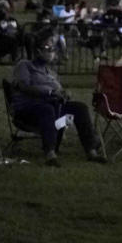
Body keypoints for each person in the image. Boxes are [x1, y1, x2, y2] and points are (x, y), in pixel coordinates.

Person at [11, 33, 106, 167]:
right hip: (29, 113)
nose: (52, 53)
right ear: (38, 51)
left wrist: (65, 94)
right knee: (47, 109)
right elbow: (23, 87)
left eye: (54, 50)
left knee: (80, 108)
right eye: (48, 49)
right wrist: (49, 92)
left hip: (56, 119)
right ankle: (50, 153)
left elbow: (59, 92)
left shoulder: (51, 73)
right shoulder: (25, 65)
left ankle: (91, 151)